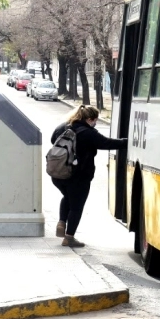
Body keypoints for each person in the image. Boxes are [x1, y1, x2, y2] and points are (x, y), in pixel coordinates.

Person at [51, 105, 128, 247]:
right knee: (76, 206)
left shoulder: (62, 127)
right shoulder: (88, 133)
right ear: (88, 119)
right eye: (94, 120)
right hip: (78, 177)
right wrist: (127, 142)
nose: (95, 122)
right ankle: (69, 237)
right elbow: (106, 143)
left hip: (58, 173)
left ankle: (62, 222)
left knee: (67, 197)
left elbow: (52, 140)